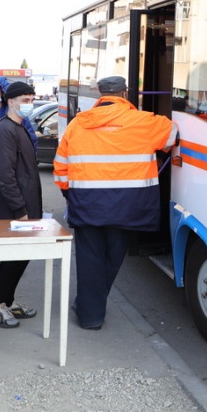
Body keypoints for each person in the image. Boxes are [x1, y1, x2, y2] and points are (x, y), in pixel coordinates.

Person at [54, 76, 178, 330]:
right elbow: (172, 135)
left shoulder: (78, 124)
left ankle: (91, 314)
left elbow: (60, 168)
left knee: (89, 259)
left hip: (87, 203)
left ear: (100, 95)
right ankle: (91, 307)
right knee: (114, 256)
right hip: (127, 206)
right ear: (125, 93)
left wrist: (70, 194)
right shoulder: (144, 122)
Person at [0, 81, 42, 328]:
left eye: (31, 99)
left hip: (23, 206)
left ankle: (7, 301)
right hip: (13, 209)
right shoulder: (5, 130)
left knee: (20, 257)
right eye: (25, 100)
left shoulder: (19, 127)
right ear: (11, 102)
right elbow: (5, 175)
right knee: (12, 258)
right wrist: (20, 210)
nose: (29, 104)